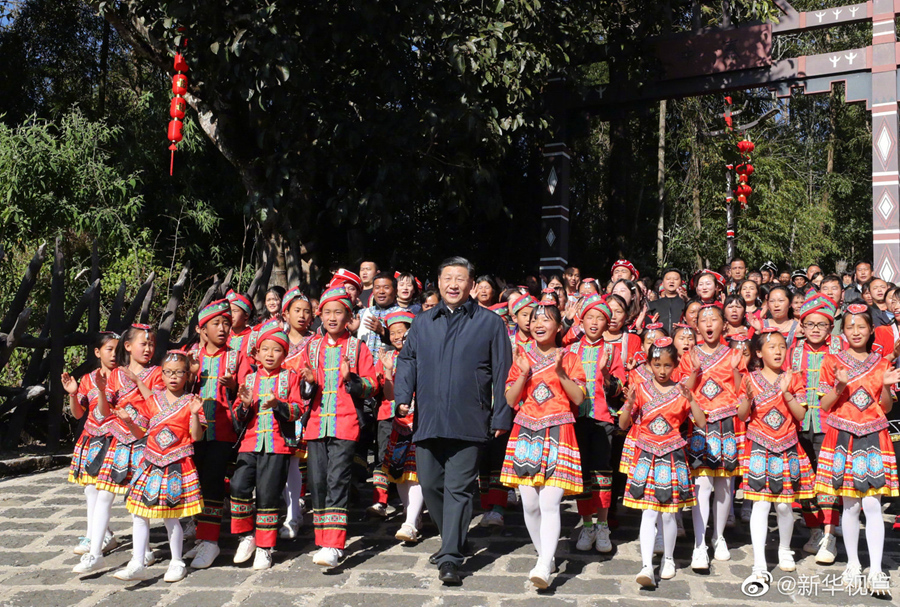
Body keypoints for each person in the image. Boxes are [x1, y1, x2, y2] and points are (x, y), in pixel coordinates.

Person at [394, 256, 513, 586]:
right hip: (429, 418)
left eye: (460, 278)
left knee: (459, 488)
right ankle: (455, 539)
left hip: (469, 418)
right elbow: (408, 361)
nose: (453, 284)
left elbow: (504, 371)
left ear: (472, 285)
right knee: (431, 484)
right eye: (447, 277)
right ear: (439, 281)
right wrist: (403, 396)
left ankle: (450, 557)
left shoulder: (490, 323)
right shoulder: (423, 321)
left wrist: (501, 413)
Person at [816, 304, 900, 596]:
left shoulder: (881, 363)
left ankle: (876, 570)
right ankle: (852, 564)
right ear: (843, 330)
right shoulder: (832, 361)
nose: (855, 332)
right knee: (849, 505)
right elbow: (824, 405)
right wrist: (839, 386)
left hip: (874, 435)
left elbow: (886, 407)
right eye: (850, 326)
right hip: (842, 436)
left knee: (873, 504)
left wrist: (887, 387)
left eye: (861, 326)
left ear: (870, 330)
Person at [501, 303, 586, 589]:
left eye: (547, 320)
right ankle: (545, 556)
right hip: (526, 431)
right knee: (530, 503)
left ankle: (543, 564)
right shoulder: (521, 357)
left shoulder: (571, 358)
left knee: (550, 502)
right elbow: (511, 400)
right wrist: (523, 372)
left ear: (559, 327)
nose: (539, 324)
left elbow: (579, 399)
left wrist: (561, 373)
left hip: (559, 430)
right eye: (535, 319)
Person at [297, 285, 378, 568]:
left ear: (349, 316)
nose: (332, 317)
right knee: (317, 482)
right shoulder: (312, 346)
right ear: (320, 316)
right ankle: (323, 538)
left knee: (337, 480)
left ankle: (334, 544)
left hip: (345, 422)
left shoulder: (358, 347)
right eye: (328, 312)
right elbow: (303, 389)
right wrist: (308, 380)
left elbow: (371, 385)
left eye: (339, 312)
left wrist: (351, 378)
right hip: (317, 424)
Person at [74, 324, 162, 575]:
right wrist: (101, 390)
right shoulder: (115, 375)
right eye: (143, 344)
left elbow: (157, 404)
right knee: (103, 493)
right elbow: (102, 411)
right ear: (128, 346)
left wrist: (136, 380)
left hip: (144, 439)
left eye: (151, 344)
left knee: (137, 499)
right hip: (119, 440)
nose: (148, 349)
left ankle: (142, 553)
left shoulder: (157, 373)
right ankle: (94, 553)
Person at [112, 350, 206, 582]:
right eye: (168, 372)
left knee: (171, 516)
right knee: (138, 514)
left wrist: (194, 415)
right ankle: (137, 561)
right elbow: (140, 432)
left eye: (179, 372)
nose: (173, 377)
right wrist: (127, 420)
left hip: (177, 464)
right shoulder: (152, 400)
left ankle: (176, 561)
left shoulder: (191, 402)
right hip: (151, 464)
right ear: (161, 375)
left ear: (187, 375)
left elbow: (196, 437)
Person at [620, 338, 706, 588]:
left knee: (669, 514)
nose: (662, 370)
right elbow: (624, 424)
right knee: (648, 512)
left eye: (667, 365)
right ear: (649, 364)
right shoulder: (641, 388)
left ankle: (668, 558)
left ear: (676, 365)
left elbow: (700, 422)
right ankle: (646, 564)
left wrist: (691, 399)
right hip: (645, 454)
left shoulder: (681, 390)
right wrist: (629, 402)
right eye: (657, 365)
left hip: (672, 455)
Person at [738, 330, 815, 587]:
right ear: (759, 353)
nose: (778, 351)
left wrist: (787, 394)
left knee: (784, 505)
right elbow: (741, 415)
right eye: (772, 347)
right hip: (759, 445)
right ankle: (759, 561)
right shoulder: (749, 379)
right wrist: (747, 399)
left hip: (786, 446)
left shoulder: (793, 378)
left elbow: (800, 415)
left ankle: (784, 547)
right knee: (760, 504)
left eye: (782, 346)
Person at [231, 321, 304, 571]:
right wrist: (244, 404)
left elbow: (297, 410)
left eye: (276, 350)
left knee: (268, 495)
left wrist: (277, 405)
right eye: (265, 349)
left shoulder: (290, 377)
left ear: (284, 354)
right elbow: (238, 416)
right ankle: (247, 536)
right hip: (250, 443)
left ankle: (265, 547)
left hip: (277, 445)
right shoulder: (249, 378)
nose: (270, 355)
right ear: (257, 353)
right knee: (238, 486)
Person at [187, 300, 253, 569]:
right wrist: (192, 376)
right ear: (202, 330)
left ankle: (211, 542)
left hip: (224, 432)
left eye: (226, 323)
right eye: (216, 323)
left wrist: (236, 387)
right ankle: (202, 537)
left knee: (213, 483)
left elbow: (248, 394)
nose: (223, 328)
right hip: (192, 433)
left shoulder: (238, 357)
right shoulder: (190, 356)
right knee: (197, 485)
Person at [682, 305, 745, 571]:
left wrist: (735, 371)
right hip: (699, 425)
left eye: (713, 319)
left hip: (727, 423)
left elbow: (743, 391)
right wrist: (695, 371)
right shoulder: (689, 356)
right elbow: (683, 390)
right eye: (703, 320)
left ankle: (718, 537)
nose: (708, 323)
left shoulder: (735, 355)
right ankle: (699, 543)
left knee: (725, 486)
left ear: (724, 326)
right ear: (697, 327)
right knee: (703, 485)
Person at [787, 292, 845, 564]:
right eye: (810, 324)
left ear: (830, 327)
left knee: (829, 481)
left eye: (821, 325)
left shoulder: (839, 352)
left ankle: (830, 533)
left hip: (828, 425)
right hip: (798, 424)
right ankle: (813, 529)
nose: (815, 330)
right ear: (802, 325)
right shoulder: (793, 351)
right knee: (804, 480)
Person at [569, 295, 621, 554]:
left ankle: (602, 524)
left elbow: (618, 391)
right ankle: (586, 524)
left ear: (607, 324)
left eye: (600, 318)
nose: (594, 322)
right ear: (582, 319)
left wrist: (605, 374)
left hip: (602, 418)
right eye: (590, 317)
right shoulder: (571, 350)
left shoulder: (613, 351)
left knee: (603, 474)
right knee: (583, 475)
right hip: (576, 418)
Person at [63, 332, 119, 558]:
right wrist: (73, 394)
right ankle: (97, 534)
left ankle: (99, 537)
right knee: (90, 489)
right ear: (97, 352)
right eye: (109, 349)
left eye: (117, 349)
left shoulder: (123, 378)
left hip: (116, 438)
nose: (114, 354)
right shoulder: (87, 379)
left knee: (105, 491)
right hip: (92, 438)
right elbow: (78, 414)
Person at [376, 310, 424, 543]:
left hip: (421, 420)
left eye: (402, 333)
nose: (397, 337)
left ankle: (411, 521)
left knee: (416, 473)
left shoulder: (424, 355)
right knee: (400, 473)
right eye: (393, 333)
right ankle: (410, 514)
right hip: (400, 421)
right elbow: (388, 395)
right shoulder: (390, 359)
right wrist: (386, 371)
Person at [280, 287, 315, 539]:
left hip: (306, 410)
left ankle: (294, 515)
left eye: (306, 312)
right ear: (285, 314)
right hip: (277, 410)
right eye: (297, 311)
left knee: (295, 462)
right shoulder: (275, 341)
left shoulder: (315, 343)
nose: (302, 316)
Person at [357, 272, 401, 357]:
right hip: (364, 368)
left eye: (386, 288)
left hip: (390, 367)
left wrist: (383, 331)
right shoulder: (362, 313)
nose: (381, 291)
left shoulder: (403, 315)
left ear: (395, 291)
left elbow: (408, 343)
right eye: (377, 287)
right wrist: (353, 331)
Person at [649, 268, 686, 334]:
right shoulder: (652, 305)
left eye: (676, 279)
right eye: (668, 279)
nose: (671, 281)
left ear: (681, 283)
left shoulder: (687, 305)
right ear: (662, 283)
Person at [226, 290, 254, 355]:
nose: (231, 315)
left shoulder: (254, 337)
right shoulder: (224, 336)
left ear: (246, 316)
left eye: (235, 311)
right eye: (229, 311)